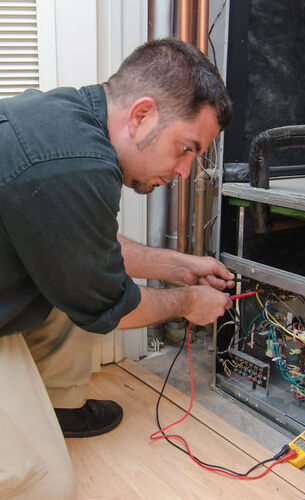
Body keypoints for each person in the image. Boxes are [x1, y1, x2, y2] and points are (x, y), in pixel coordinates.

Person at [0, 37, 234, 498]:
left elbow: (86, 246)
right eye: (186, 148)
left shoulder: (68, 119)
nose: (185, 171)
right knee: (42, 484)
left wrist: (182, 266)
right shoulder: (73, 166)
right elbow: (115, 307)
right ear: (142, 114)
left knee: (74, 283)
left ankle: (54, 408)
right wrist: (189, 302)